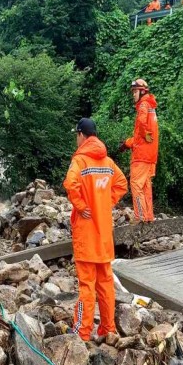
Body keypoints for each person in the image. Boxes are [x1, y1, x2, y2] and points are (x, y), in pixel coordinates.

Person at [63, 118, 128, 342]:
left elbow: (70, 184)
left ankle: (82, 332)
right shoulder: (108, 162)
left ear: (81, 135)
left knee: (86, 286)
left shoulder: (80, 161)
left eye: (76, 135)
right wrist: (105, 202)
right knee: (106, 283)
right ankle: (108, 329)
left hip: (86, 234)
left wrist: (81, 207)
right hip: (103, 238)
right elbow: (122, 184)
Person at [118, 79, 159, 224]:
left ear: (142, 91)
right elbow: (142, 136)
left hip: (141, 155)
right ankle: (148, 217)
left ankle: (140, 216)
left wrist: (131, 142)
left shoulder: (143, 105)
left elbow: (142, 128)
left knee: (136, 185)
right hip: (150, 155)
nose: (133, 95)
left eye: (135, 92)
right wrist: (128, 143)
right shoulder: (151, 106)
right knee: (146, 186)